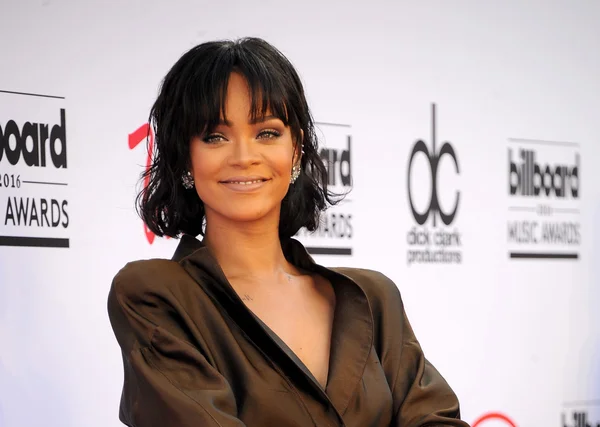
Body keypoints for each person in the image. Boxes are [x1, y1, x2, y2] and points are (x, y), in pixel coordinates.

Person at [107, 37, 468, 427]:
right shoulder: (155, 296)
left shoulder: (372, 298)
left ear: (296, 149)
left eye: (267, 133)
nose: (244, 156)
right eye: (215, 136)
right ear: (184, 157)